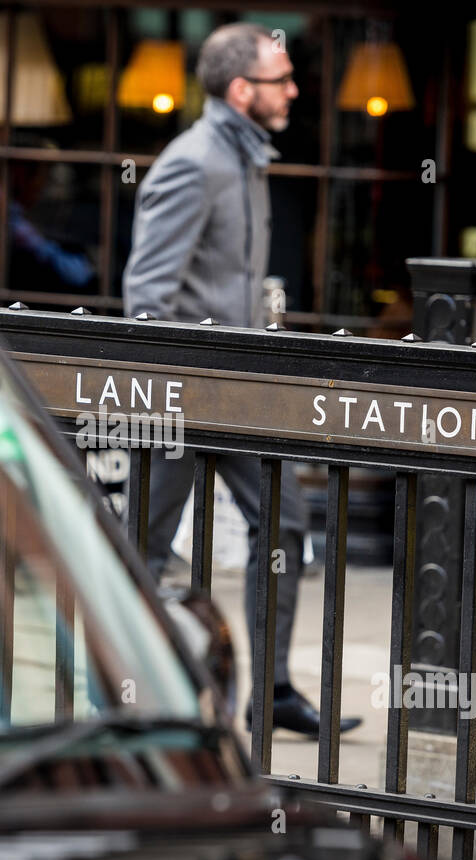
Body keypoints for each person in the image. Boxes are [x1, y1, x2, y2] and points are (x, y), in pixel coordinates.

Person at [122, 22, 361, 738]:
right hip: (182, 395)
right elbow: (147, 293)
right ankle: (116, 685)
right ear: (239, 90)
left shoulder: (247, 157)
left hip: (239, 393)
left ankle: (275, 689)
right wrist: (170, 395)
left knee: (285, 520)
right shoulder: (194, 162)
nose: (293, 89)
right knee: (143, 543)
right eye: (281, 79)